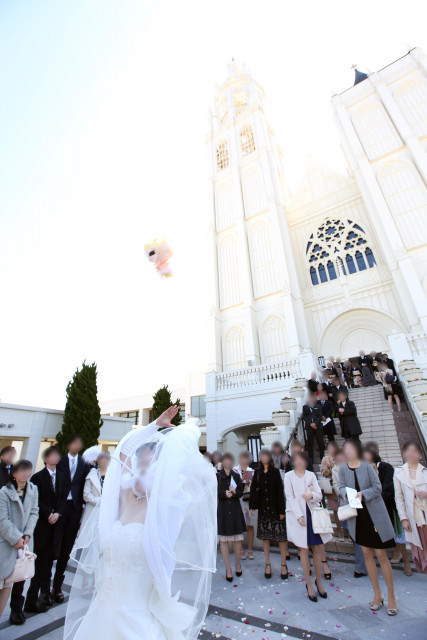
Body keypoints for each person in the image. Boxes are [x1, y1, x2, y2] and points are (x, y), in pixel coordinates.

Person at [63, 407, 217, 640]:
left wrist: (191, 426)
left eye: (150, 465)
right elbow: (124, 450)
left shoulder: (165, 508)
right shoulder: (122, 495)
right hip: (102, 613)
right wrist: (154, 424)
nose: (142, 469)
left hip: (137, 620)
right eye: (140, 464)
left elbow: (178, 455)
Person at [339, 440, 397, 615]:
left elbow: (378, 487)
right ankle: (377, 593)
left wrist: (362, 494)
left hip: (373, 514)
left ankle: (392, 596)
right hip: (358, 516)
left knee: (380, 554)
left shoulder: (366, 466)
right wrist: (347, 495)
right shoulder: (342, 469)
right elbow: (341, 487)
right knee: (366, 553)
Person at [21, 446, 67, 621]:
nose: (55, 458)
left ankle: (44, 597)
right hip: (42, 526)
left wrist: (58, 513)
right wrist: (48, 513)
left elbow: (63, 497)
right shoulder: (37, 477)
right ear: (46, 458)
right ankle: (30, 600)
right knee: (38, 566)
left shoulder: (62, 477)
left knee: (48, 565)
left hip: (56, 526)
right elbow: (36, 500)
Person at [285, 451, 332, 602]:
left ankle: (318, 581)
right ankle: (309, 583)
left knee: (317, 549)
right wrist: (298, 515)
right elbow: (290, 497)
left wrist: (311, 495)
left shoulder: (311, 475)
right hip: (299, 515)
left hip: (312, 513)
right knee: (303, 550)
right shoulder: (289, 476)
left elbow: (319, 494)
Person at [53, 434, 91, 603]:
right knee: (54, 546)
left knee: (67, 547)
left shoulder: (84, 463)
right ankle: (44, 588)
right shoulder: (59, 462)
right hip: (60, 508)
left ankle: (57, 587)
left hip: (75, 508)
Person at [363, 446, 411, 576]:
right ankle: (395, 554)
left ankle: (405, 560)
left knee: (398, 534)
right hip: (375, 508)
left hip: (390, 505)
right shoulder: (364, 470)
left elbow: (389, 487)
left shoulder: (385, 467)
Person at [0, 460, 39, 620]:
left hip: (23, 543)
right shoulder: (3, 492)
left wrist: (27, 535)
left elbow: (34, 512)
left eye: (28, 470)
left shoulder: (33, 489)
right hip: (5, 543)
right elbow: (2, 519)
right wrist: (16, 538)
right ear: (14, 474)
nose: (26, 473)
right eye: (22, 470)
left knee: (9, 584)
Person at [249, 448, 288, 580]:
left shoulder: (275, 472)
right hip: (264, 509)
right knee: (265, 538)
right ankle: (268, 564)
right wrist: (252, 505)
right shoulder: (258, 472)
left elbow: (280, 492)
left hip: (275, 509)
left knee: (281, 537)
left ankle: (283, 564)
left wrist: (282, 511)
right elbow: (253, 489)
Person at [331, 449, 367, 577]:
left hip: (358, 502)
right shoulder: (335, 470)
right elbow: (336, 485)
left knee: (358, 536)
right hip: (345, 503)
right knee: (353, 535)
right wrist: (343, 493)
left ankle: (361, 566)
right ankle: (362, 563)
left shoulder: (357, 467)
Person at [394, 440, 427, 574]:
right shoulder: (399, 472)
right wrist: (403, 518)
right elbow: (399, 497)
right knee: (418, 545)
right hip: (412, 515)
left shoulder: (425, 472)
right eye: (408, 451)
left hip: (424, 513)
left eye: (414, 451)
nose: (411, 454)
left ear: (420, 455)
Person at [218, 453, 246, 580]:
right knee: (223, 540)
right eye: (226, 460)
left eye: (230, 460)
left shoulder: (236, 475)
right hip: (223, 510)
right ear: (222, 462)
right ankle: (228, 568)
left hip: (234, 509)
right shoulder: (218, 476)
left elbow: (240, 492)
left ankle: (237, 564)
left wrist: (234, 493)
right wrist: (224, 493)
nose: (228, 462)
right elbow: (214, 492)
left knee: (237, 539)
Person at [80, 451, 111, 530]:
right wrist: (100, 501)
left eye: (106, 459)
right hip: (92, 510)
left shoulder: (113, 475)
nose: (104, 461)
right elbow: (86, 495)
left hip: (107, 510)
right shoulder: (92, 474)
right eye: (101, 458)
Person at [321, 443, 344, 541]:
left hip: (341, 485)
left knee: (345, 509)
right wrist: (328, 468)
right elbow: (323, 472)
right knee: (335, 510)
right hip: (331, 488)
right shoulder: (325, 459)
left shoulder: (341, 457)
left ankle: (348, 530)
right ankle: (340, 530)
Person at [233, 451, 255, 560]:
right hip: (239, 500)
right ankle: (241, 549)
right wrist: (241, 481)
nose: (244, 460)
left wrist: (248, 482)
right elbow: (232, 486)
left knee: (250, 524)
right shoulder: (235, 470)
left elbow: (255, 487)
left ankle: (250, 549)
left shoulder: (252, 471)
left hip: (249, 500)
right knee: (240, 525)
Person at [302, 394, 324, 462]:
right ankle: (311, 459)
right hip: (309, 427)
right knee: (310, 443)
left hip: (318, 426)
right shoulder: (305, 407)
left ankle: (322, 457)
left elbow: (320, 416)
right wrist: (310, 424)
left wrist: (315, 423)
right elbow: (304, 417)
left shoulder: (318, 406)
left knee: (320, 442)